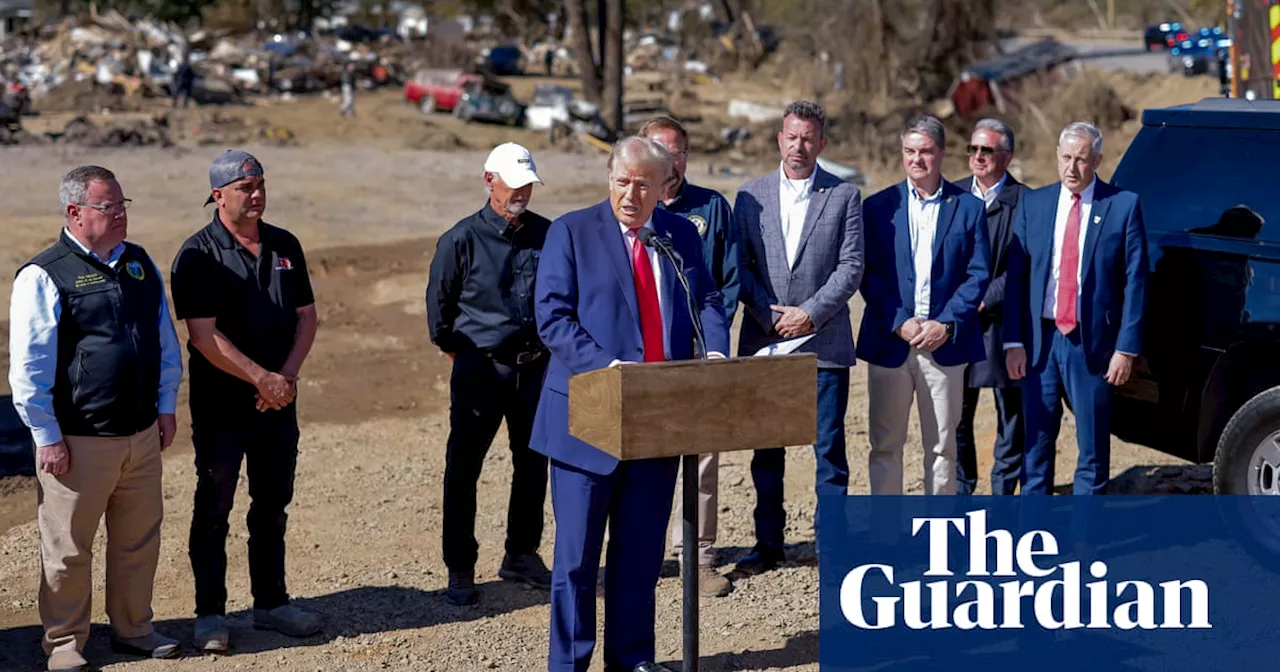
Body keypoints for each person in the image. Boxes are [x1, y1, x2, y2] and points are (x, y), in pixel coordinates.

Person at [532, 136, 729, 672]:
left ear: (664, 187)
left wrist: (713, 350)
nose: (631, 194)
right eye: (622, 181)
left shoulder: (679, 235)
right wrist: (605, 366)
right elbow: (552, 316)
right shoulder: (572, 232)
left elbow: (707, 297)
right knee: (576, 562)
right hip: (587, 419)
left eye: (643, 185)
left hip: (656, 419)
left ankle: (632, 660)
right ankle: (568, 664)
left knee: (640, 556)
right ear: (609, 179)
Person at [9, 165, 183, 671]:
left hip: (141, 434)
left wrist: (166, 406)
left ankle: (134, 629)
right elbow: (28, 368)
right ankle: (64, 644)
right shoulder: (44, 274)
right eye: (110, 207)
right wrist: (47, 435)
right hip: (78, 440)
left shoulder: (138, 263)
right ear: (75, 212)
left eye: (124, 204)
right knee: (67, 549)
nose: (122, 215)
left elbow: (163, 340)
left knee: (138, 540)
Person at [170, 150, 321, 653]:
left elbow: (306, 316)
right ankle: (210, 613)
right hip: (224, 407)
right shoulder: (198, 254)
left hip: (279, 401)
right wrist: (260, 378)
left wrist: (286, 379)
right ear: (218, 195)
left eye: (259, 185)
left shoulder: (285, 245)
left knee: (272, 503)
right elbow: (202, 336)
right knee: (214, 507)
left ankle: (271, 602)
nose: (255, 194)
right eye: (244, 187)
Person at [733, 100, 863, 576]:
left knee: (828, 451)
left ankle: (832, 544)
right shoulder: (750, 197)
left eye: (809, 138)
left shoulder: (844, 196)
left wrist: (809, 314)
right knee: (766, 452)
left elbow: (851, 267)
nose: (799, 146)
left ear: (822, 144)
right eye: (791, 136)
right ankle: (768, 544)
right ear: (779, 139)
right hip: (765, 343)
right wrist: (770, 315)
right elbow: (740, 267)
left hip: (822, 346)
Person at [426, 142, 554, 606]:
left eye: (527, 185)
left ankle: (521, 553)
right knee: (463, 469)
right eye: (513, 183)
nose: (521, 192)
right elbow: (438, 314)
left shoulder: (549, 235)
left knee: (533, 462)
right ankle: (460, 565)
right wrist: (462, 354)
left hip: (536, 369)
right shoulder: (460, 239)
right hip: (481, 369)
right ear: (489, 181)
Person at [1004, 121, 1148, 495]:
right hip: (1040, 344)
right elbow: (1017, 280)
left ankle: (1086, 541)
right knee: (1035, 446)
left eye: (1082, 160)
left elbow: (1135, 281)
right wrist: (1013, 342)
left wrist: (1125, 348)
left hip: (1092, 344)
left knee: (1093, 449)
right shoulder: (1034, 204)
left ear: (1097, 160)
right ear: (1056, 156)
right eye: (1066, 158)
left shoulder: (1122, 206)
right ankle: (1036, 538)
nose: (1072, 167)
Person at [858, 115, 991, 496]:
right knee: (885, 446)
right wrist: (898, 321)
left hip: (944, 347)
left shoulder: (968, 207)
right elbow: (868, 274)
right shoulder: (878, 207)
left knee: (942, 448)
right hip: (891, 342)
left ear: (942, 154)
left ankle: (938, 537)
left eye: (926, 152)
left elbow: (978, 274)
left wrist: (946, 324)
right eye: (909, 151)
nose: (917, 159)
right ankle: (888, 537)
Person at [638, 115, 739, 597]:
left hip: (699, 353)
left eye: (677, 151)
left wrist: (712, 341)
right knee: (647, 453)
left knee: (701, 456)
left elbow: (726, 281)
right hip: (647, 357)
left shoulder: (712, 208)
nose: (670, 159)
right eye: (659, 149)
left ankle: (698, 555)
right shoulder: (630, 207)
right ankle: (643, 553)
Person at [952, 118, 1027, 495]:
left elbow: (1024, 267)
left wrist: (985, 298)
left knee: (1010, 415)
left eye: (987, 150)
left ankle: (1004, 492)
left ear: (1007, 156)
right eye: (973, 149)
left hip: (1003, 326)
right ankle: (963, 489)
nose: (978, 157)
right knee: (956, 417)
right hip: (957, 326)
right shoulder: (951, 198)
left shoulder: (1026, 203)